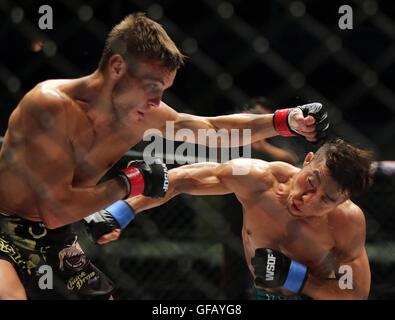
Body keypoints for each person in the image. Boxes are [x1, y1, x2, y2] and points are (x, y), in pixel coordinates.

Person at [0, 12, 328, 299]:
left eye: (163, 90)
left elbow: (210, 130)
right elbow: (57, 210)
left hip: (55, 238)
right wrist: (130, 184)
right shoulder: (52, 106)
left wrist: (282, 122)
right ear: (117, 66)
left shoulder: (140, 112)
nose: (158, 101)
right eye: (152, 87)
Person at [114, 138, 372, 299]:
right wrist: (124, 210)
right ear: (306, 161)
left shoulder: (347, 222)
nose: (309, 199)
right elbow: (183, 180)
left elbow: (353, 294)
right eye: (310, 182)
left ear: (341, 201)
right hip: (258, 294)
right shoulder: (258, 179)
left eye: (326, 199)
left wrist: (299, 280)